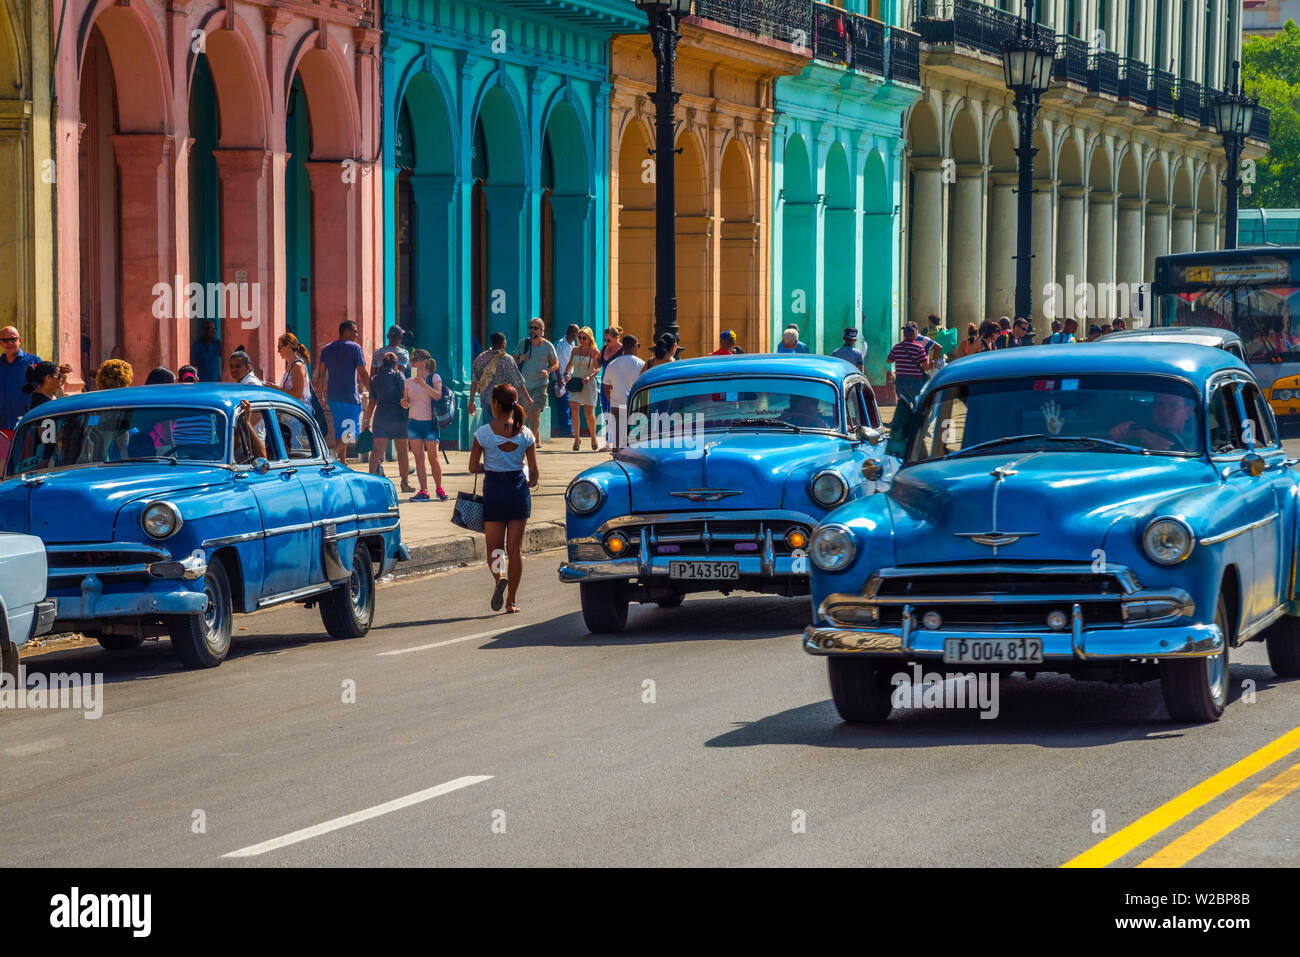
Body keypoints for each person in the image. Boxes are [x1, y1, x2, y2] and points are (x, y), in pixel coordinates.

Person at [469, 382, 539, 615]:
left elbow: (472, 467)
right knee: (515, 548)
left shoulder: (484, 434)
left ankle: (499, 578)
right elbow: (535, 473)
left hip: (495, 491)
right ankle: (511, 601)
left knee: (496, 549)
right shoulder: (526, 434)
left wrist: (490, 465)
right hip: (518, 491)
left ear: (497, 404)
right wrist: (528, 480)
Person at [315, 320, 371, 460]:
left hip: (333, 398)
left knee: (341, 431)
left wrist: (320, 395)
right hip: (350, 398)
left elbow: (321, 374)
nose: (357, 334)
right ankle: (332, 455)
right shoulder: (355, 348)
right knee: (352, 432)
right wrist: (372, 390)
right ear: (346, 331)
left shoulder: (327, 349)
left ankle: (343, 462)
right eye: (355, 331)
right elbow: (363, 372)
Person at [402, 349, 446, 502]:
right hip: (413, 423)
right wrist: (404, 403)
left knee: (433, 457)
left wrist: (424, 384)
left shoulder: (434, 377)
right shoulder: (409, 380)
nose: (412, 362)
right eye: (412, 360)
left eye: (416, 359)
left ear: (425, 361)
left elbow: (438, 396)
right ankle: (423, 490)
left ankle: (439, 488)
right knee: (419, 458)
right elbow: (406, 401)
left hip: (430, 423)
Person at [362, 352, 411, 487]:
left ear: (382, 364)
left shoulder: (374, 379)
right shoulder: (398, 375)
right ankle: (405, 482)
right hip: (398, 417)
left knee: (377, 451)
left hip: (381, 416)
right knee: (402, 451)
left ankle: (371, 481)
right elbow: (405, 395)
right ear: (395, 364)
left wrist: (367, 420)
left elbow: (372, 401)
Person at [468, 331, 533, 431]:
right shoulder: (507, 359)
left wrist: (471, 401)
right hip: (503, 398)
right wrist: (528, 398)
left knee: (493, 424)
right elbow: (518, 381)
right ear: (503, 343)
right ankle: (503, 444)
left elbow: (474, 382)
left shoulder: (480, 358)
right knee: (504, 425)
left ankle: (496, 443)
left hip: (486, 399)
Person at [514, 318, 559, 440]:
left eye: (535, 328)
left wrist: (548, 371)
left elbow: (556, 363)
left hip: (540, 384)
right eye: (530, 328)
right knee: (523, 413)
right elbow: (513, 361)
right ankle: (527, 437)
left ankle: (531, 440)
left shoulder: (548, 346)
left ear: (541, 330)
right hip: (524, 384)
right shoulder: (523, 343)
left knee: (535, 412)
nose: (532, 331)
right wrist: (520, 359)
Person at [1, 326, 52, 433]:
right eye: (5, 340)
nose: (9, 343)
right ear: (1, 343)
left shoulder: (34, 360)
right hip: (2, 426)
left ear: (19, 340)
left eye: (13, 339)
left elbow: (46, 388)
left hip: (27, 425)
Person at [1110, 391, 1197, 452]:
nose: (1164, 412)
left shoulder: (1195, 441)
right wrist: (1120, 432)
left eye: (1173, 405)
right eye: (1159, 404)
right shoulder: (1133, 437)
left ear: (1188, 412)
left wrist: (1142, 434)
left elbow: (1182, 455)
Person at [601, 335, 644, 450]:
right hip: (636, 406)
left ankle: (616, 457)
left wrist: (612, 399)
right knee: (634, 439)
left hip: (617, 405)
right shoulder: (641, 365)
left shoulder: (612, 364)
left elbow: (606, 387)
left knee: (617, 439)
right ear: (634, 346)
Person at [563, 326, 602, 451]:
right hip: (575, 382)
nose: (581, 339)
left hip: (588, 383)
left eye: (584, 337)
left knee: (588, 412)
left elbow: (597, 369)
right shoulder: (575, 350)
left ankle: (593, 437)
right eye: (579, 337)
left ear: (589, 338)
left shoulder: (594, 351)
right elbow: (570, 364)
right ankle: (576, 438)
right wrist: (565, 374)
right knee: (574, 409)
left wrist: (590, 377)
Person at [886, 324, 930, 410]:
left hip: (900, 379)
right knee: (916, 402)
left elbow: (889, 360)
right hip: (914, 380)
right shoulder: (919, 347)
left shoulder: (897, 347)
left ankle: (904, 420)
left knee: (903, 403)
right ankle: (914, 421)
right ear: (914, 335)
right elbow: (925, 365)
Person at [553, 324, 579, 436]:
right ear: (567, 332)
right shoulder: (560, 344)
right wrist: (559, 379)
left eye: (575, 333)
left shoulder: (574, 345)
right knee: (564, 406)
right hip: (561, 380)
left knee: (570, 405)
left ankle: (568, 428)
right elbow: (556, 362)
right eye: (572, 332)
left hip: (570, 378)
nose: (574, 334)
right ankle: (568, 429)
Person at [274, 332, 312, 403]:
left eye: (279, 347)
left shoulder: (298, 366)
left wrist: (275, 388)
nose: (278, 351)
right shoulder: (290, 365)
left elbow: (297, 395)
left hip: (298, 411)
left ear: (288, 346)